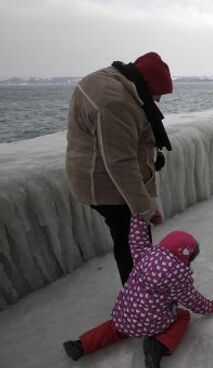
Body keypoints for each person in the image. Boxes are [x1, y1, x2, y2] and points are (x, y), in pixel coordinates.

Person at [66, 52, 174, 285]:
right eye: (158, 93)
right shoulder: (116, 103)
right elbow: (121, 162)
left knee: (132, 239)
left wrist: (150, 196)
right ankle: (140, 299)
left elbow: (143, 147)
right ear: (147, 84)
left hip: (102, 175)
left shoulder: (119, 80)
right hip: (105, 184)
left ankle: (140, 291)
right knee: (133, 243)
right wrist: (144, 209)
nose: (158, 100)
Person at [63, 214, 213, 368]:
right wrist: (211, 306)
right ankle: (158, 345)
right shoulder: (179, 280)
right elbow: (194, 302)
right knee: (183, 316)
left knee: (114, 328)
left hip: (124, 314)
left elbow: (137, 238)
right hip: (152, 324)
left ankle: (81, 345)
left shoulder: (143, 254)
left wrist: (141, 215)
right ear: (186, 258)